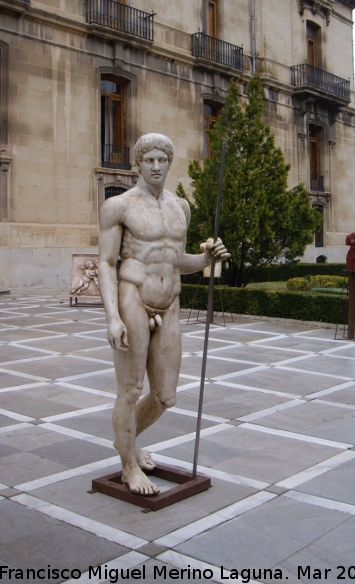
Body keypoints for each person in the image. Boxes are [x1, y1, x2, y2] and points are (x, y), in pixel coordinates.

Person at [98, 133, 229, 495]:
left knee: (165, 396)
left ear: (170, 163)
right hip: (133, 298)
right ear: (138, 163)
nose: (156, 166)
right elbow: (107, 264)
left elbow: (177, 262)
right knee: (130, 389)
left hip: (170, 303)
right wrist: (112, 317)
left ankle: (125, 440)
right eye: (149, 160)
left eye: (162, 160)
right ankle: (128, 464)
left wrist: (206, 259)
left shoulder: (180, 207)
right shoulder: (119, 206)